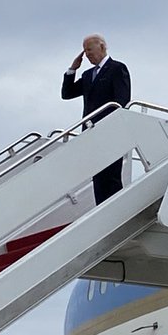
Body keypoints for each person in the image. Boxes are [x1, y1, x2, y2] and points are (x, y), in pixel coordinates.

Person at [61, 34, 132, 206]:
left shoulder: (117, 68)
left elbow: (122, 100)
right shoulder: (87, 75)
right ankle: (101, 208)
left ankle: (115, 209)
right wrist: (72, 69)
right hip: (91, 133)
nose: (87, 55)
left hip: (109, 131)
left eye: (89, 50)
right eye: (84, 51)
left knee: (111, 175)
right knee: (98, 177)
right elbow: (67, 93)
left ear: (101, 46)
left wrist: (109, 123)